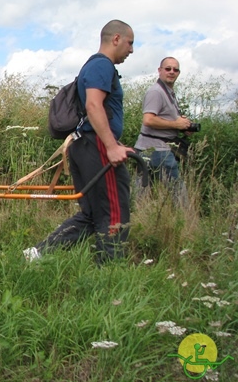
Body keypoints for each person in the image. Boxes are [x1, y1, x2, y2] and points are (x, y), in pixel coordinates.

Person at [24, 20, 135, 264]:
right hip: (95, 145)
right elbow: (93, 105)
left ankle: (37, 254)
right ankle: (110, 271)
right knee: (113, 211)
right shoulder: (101, 66)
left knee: (93, 214)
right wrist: (112, 146)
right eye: (130, 43)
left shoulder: (94, 66)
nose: (131, 50)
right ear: (116, 39)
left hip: (86, 145)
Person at [134, 57, 190, 204]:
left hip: (153, 149)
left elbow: (165, 118)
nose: (172, 72)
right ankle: (184, 222)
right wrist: (176, 124)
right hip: (157, 150)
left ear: (179, 73)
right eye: (168, 68)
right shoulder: (156, 92)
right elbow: (148, 120)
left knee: (141, 192)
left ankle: (135, 221)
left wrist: (183, 124)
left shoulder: (168, 92)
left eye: (175, 69)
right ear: (160, 71)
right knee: (177, 193)